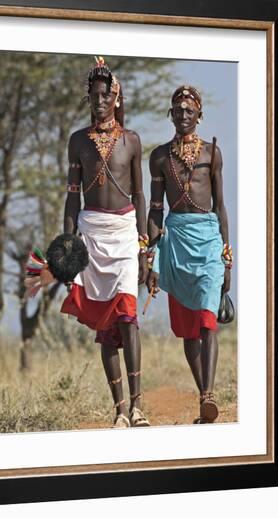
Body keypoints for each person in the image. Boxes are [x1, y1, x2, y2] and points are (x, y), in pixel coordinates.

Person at [60, 57, 150, 428]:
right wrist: (67, 247)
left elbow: (141, 196)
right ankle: (118, 410)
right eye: (94, 96)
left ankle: (138, 406)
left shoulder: (131, 141)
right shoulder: (77, 141)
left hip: (126, 235)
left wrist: (145, 247)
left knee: (128, 316)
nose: (99, 102)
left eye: (105, 95)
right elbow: (71, 197)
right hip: (92, 236)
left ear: (116, 98)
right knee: (105, 327)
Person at [146, 85, 232, 424]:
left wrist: (227, 259)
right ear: (171, 114)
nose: (183, 114)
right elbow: (155, 211)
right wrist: (149, 255)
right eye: (178, 109)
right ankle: (203, 397)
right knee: (187, 328)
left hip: (209, 239)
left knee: (208, 319)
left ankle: (209, 394)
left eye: (189, 110)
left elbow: (221, 205)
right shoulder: (159, 157)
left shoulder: (212, 153)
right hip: (176, 241)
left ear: (199, 115)